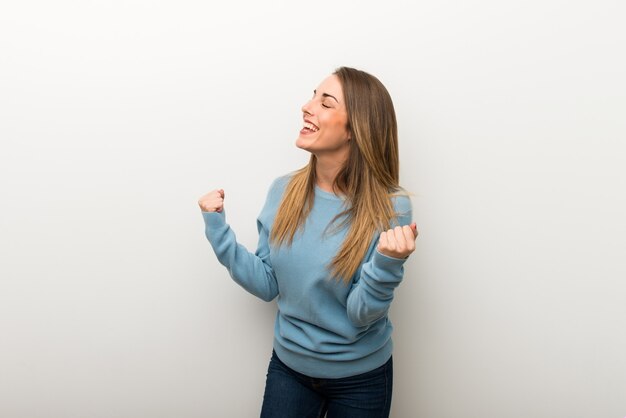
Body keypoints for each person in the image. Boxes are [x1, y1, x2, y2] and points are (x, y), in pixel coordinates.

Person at [198, 66, 418, 418]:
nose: (307, 106)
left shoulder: (391, 207)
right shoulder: (284, 190)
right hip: (290, 369)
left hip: (361, 379)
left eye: (325, 102)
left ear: (355, 129)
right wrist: (217, 229)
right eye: (312, 96)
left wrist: (388, 263)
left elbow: (361, 314)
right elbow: (269, 282)